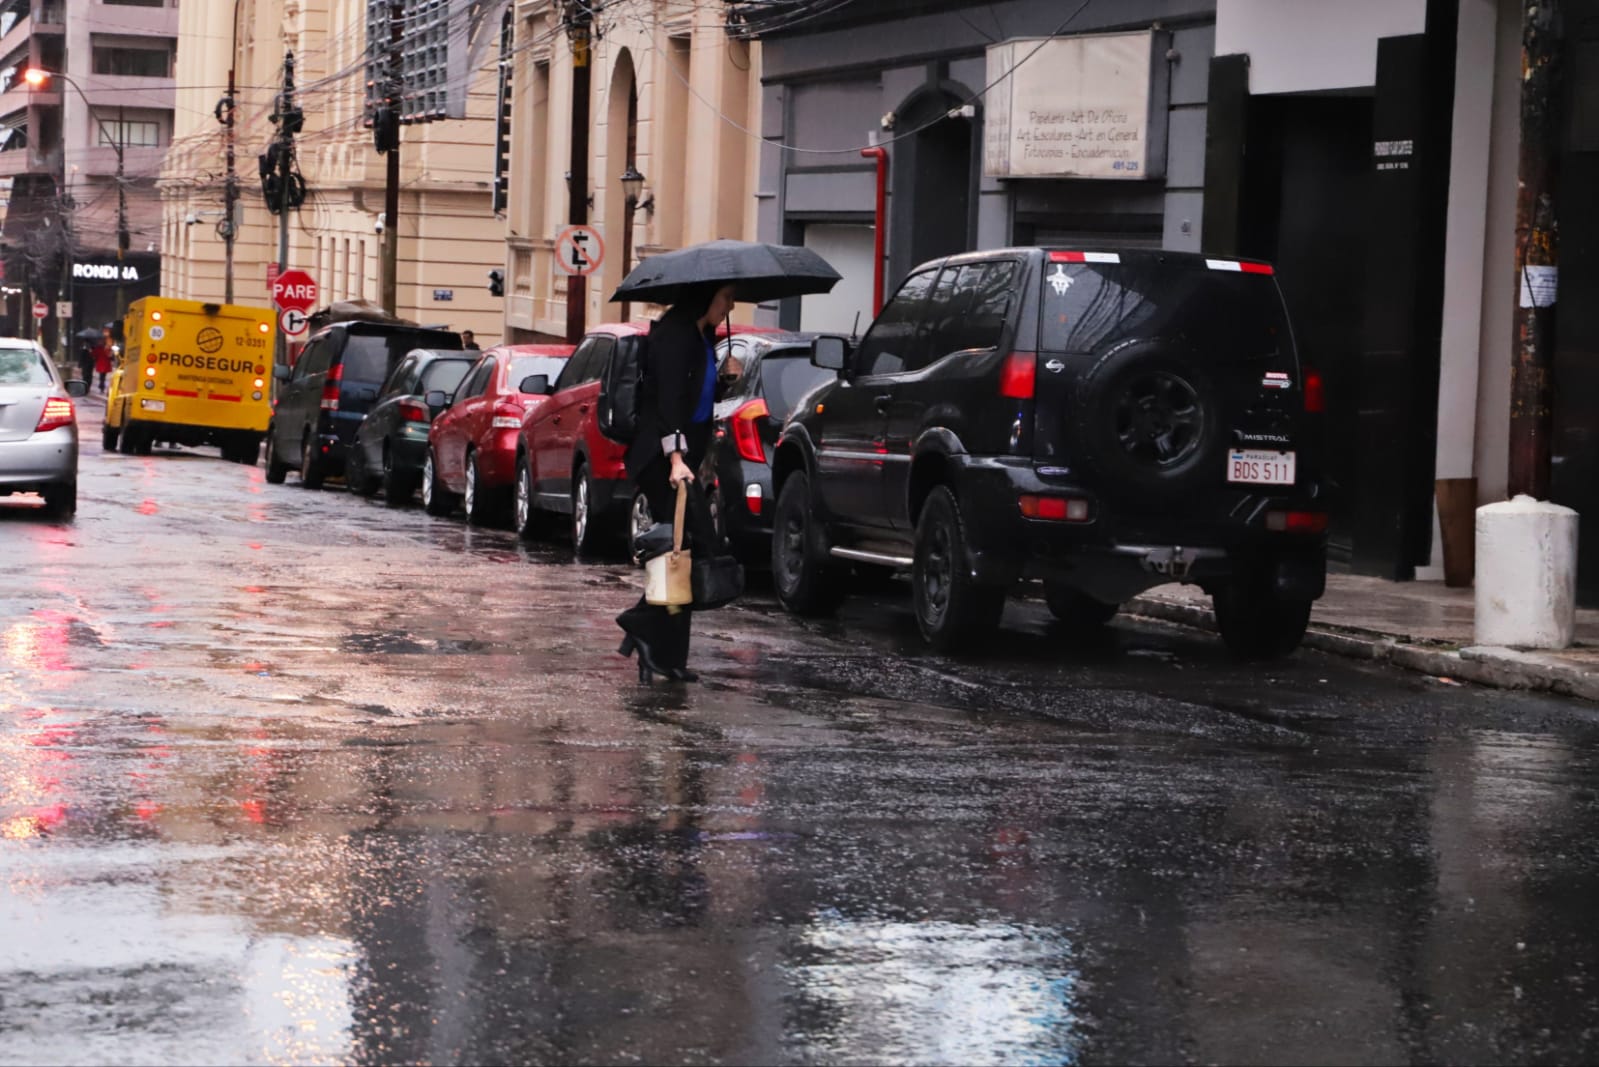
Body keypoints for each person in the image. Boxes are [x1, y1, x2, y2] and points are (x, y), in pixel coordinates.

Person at [615, 282, 737, 683]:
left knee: (678, 551)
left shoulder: (702, 335)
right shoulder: (673, 334)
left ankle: (662, 653)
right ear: (705, 297)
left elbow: (695, 398)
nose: (730, 305)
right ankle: (642, 622)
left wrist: (725, 382)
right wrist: (677, 458)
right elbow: (668, 402)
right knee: (694, 544)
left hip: (684, 458)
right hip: (660, 458)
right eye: (725, 297)